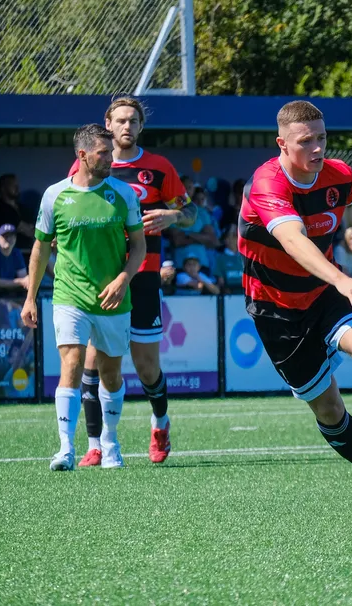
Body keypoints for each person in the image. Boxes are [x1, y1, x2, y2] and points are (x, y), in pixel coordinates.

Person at [239, 100, 352, 505]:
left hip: (326, 292)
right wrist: (344, 278)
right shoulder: (267, 185)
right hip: (276, 310)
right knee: (329, 409)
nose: (317, 148)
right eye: (306, 141)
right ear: (282, 144)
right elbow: (293, 240)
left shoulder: (336, 174)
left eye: (322, 138)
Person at [70, 97, 197, 467]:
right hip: (99, 279)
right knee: (92, 363)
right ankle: (96, 444)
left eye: (133, 121)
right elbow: (69, 204)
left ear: (141, 127)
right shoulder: (89, 164)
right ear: (107, 124)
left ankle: (160, 422)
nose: (127, 126)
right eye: (120, 120)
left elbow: (192, 212)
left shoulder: (158, 167)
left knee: (146, 368)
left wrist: (174, 215)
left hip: (142, 279)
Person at [21, 124, 146, 471]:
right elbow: (41, 248)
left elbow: (139, 246)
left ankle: (110, 442)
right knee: (71, 364)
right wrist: (31, 297)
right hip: (68, 296)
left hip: (113, 299)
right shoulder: (54, 195)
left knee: (111, 375)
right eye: (103, 153)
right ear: (82, 155)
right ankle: (65, 448)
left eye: (110, 152)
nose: (110, 158)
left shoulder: (124, 194)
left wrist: (123, 278)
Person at [0, 174, 35, 251]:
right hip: (11, 252)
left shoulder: (24, 208)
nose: (17, 188)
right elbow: (23, 230)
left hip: (30, 250)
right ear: (3, 188)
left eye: (17, 185)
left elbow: (35, 231)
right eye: (13, 185)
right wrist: (24, 228)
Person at [213, 224, 245, 290]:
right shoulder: (220, 258)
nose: (233, 239)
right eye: (230, 236)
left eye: (235, 235)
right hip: (229, 296)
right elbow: (220, 282)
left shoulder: (246, 256)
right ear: (225, 240)